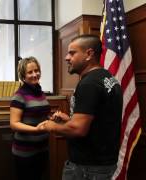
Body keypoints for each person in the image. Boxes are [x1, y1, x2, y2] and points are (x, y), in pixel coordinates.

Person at [40, 34, 123, 180]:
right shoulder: (106, 77)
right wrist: (69, 120)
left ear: (89, 54)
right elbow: (99, 120)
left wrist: (50, 126)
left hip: (88, 169)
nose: (66, 57)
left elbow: (78, 130)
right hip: (103, 164)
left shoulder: (89, 84)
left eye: (72, 53)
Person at [10, 56, 51, 180]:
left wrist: (52, 118)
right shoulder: (19, 95)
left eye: (37, 70)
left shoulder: (39, 92)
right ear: (23, 76)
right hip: (25, 152)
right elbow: (14, 124)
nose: (35, 74)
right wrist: (36, 130)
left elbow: (39, 115)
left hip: (42, 148)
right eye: (30, 72)